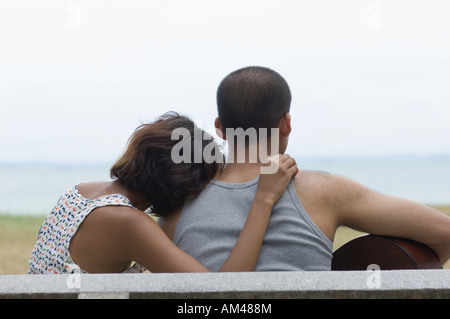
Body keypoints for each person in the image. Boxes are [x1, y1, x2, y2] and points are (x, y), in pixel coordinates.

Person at [159, 66, 450, 271]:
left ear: (220, 129)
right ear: (286, 123)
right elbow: (443, 232)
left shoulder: (180, 201)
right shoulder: (326, 191)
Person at [28, 112, 298, 274]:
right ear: (185, 185)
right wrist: (264, 198)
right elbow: (220, 293)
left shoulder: (80, 190)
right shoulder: (128, 223)